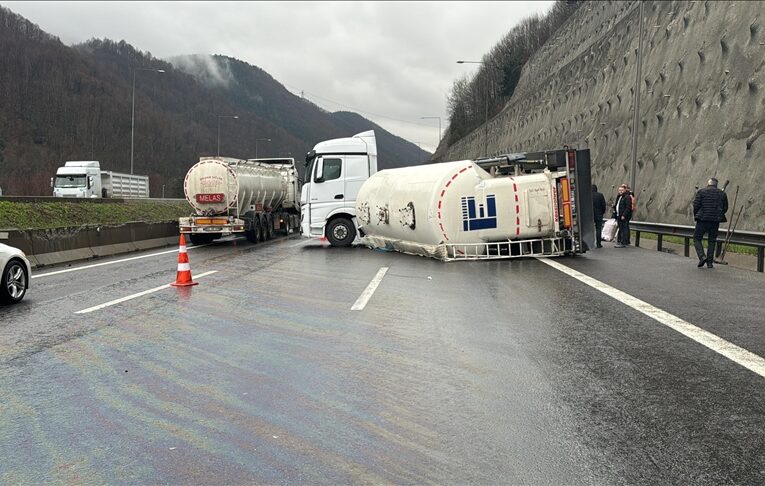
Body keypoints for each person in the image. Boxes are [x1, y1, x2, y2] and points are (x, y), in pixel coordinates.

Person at [692, 177, 728, 268]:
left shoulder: (701, 192)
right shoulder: (722, 194)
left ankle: (702, 256)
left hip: (702, 219)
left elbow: (696, 205)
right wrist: (718, 215)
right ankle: (709, 263)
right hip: (715, 221)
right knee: (712, 241)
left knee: (697, 238)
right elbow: (725, 207)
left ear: (708, 184)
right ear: (716, 185)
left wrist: (697, 215)